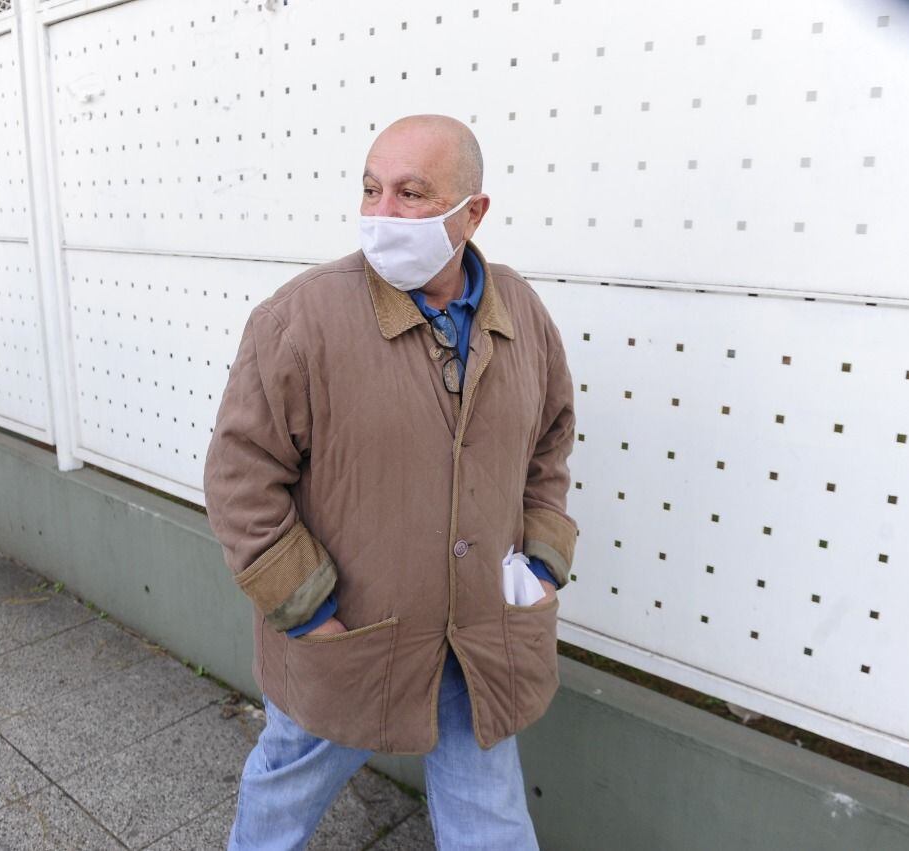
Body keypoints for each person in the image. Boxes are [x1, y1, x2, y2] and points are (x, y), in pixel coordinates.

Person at [203, 113, 577, 850]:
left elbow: (550, 443)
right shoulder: (301, 320)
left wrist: (539, 563)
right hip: (352, 638)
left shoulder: (522, 314)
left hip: (481, 638)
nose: (381, 215)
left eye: (410, 193)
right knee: (284, 790)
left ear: (472, 213)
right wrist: (310, 613)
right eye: (371, 189)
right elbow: (240, 477)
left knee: (491, 819)